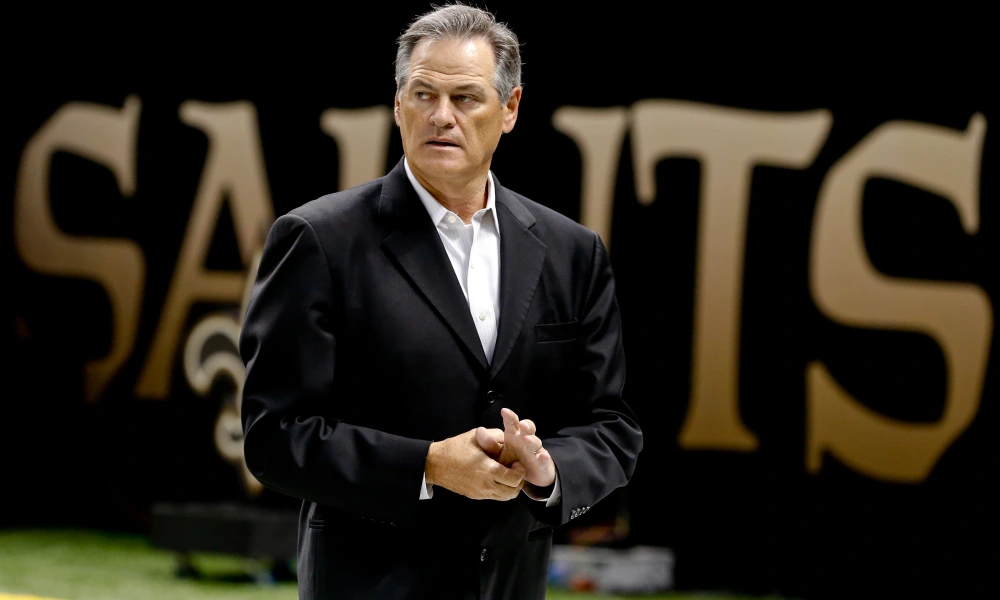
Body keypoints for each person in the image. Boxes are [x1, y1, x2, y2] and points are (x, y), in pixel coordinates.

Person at [239, 3, 643, 598]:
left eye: (466, 98)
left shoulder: (572, 252)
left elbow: (610, 425)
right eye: (423, 94)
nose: (441, 116)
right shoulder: (319, 240)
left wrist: (550, 470)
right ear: (398, 105)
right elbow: (275, 435)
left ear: (510, 109)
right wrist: (428, 465)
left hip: (510, 582)